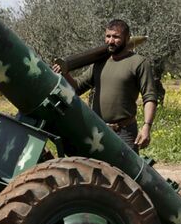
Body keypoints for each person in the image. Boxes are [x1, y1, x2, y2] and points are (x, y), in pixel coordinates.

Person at [54, 19, 157, 153]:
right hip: (97, 131)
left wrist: (147, 126)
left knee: (127, 173)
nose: (110, 41)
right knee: (94, 171)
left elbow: (149, 97)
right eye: (108, 36)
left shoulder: (139, 63)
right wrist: (65, 73)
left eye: (116, 37)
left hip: (124, 132)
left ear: (127, 38)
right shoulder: (99, 62)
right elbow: (77, 87)